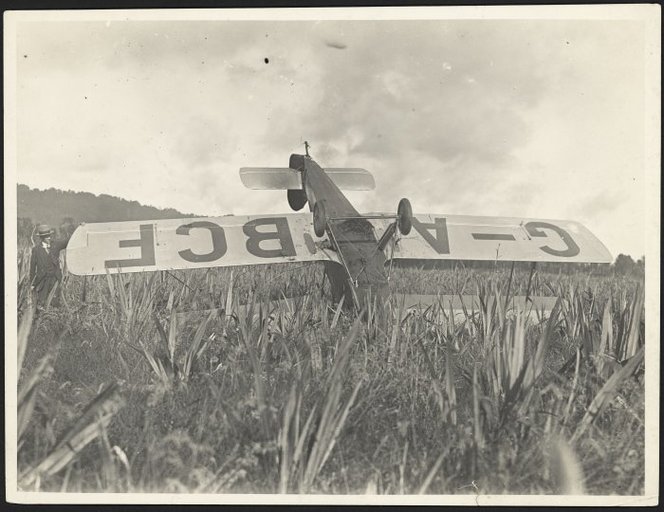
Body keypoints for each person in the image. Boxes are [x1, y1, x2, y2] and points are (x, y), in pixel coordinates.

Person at [30, 224, 70, 308]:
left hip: (55, 279)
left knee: (55, 303)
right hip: (42, 280)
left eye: (49, 235)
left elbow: (68, 241)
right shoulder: (36, 250)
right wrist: (32, 284)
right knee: (42, 303)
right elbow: (32, 268)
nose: (49, 237)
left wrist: (80, 229)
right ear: (41, 238)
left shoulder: (56, 245)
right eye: (46, 236)